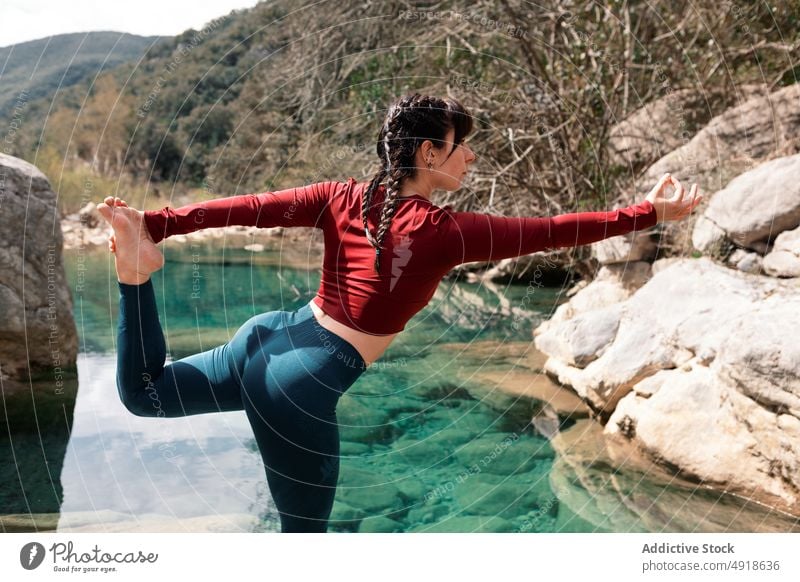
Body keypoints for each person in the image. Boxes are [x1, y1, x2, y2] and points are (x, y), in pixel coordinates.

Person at [96, 93, 701, 533]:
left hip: (267, 338)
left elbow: (249, 208)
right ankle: (138, 266)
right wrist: (648, 214)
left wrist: (158, 223)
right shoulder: (447, 232)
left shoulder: (341, 195)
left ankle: (135, 275)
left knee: (143, 395)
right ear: (429, 151)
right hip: (301, 384)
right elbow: (553, 230)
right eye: (460, 147)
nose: (468, 159)